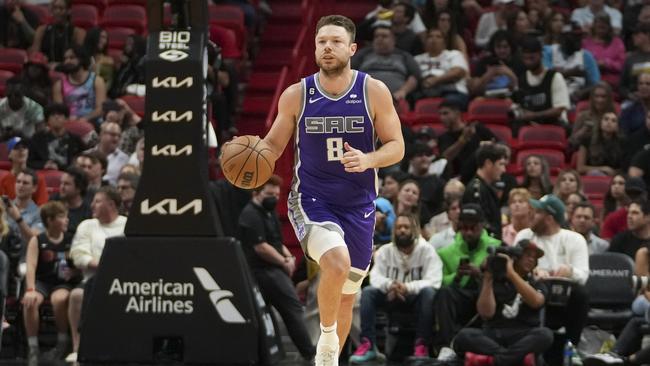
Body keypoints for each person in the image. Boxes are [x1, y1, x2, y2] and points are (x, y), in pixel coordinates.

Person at [261, 15, 405, 366]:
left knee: (346, 296)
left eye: (336, 41)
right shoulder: (297, 94)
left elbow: (397, 146)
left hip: (359, 207)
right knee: (335, 263)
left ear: (352, 48)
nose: (328, 47)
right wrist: (248, 157)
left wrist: (369, 159)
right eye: (322, 41)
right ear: (314, 48)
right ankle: (325, 340)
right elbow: (271, 147)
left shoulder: (373, 90)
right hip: (312, 199)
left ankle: (328, 360)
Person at [238, 175, 315, 362]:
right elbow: (261, 247)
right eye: (269, 194)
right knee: (293, 309)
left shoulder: (269, 212)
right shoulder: (250, 214)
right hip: (262, 271)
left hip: (275, 269)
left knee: (275, 312)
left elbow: (276, 241)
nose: (274, 198)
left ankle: (276, 355)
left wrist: (288, 258)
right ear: (256, 193)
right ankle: (311, 355)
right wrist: (283, 261)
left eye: (276, 194)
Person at [349, 213, 441, 363]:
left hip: (415, 298)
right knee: (368, 292)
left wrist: (407, 287)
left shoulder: (427, 250)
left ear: (415, 230)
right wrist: (391, 285)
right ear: (394, 231)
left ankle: (421, 346)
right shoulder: (385, 251)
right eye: (398, 227)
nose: (402, 230)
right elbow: (375, 277)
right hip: (390, 296)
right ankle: (368, 345)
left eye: (406, 227)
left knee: (429, 293)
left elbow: (434, 280)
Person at [453, 239, 554, 366]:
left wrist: (511, 273)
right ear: (515, 257)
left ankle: (496, 361)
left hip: (523, 334)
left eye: (534, 258)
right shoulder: (495, 280)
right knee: (464, 336)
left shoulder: (538, 282)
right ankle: (515, 359)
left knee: (545, 334)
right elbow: (486, 314)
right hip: (495, 333)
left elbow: (536, 302)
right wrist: (488, 277)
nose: (531, 260)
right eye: (527, 255)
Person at [514, 194, 589, 357]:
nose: (531, 215)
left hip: (563, 298)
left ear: (549, 218)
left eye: (537, 212)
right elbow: (514, 268)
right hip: (532, 292)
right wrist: (531, 271)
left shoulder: (575, 239)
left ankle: (571, 349)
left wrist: (570, 271)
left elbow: (583, 275)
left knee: (581, 294)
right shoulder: (524, 236)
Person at [434, 204, 502, 360]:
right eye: (464, 228)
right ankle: (446, 346)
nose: (469, 232)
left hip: (487, 295)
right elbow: (439, 281)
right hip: (461, 296)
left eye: (473, 228)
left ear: (482, 225)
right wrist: (456, 276)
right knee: (444, 293)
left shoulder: (496, 247)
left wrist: (481, 275)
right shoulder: (446, 252)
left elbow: (503, 280)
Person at [68, 186, 126, 362]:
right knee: (77, 295)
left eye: (97, 201)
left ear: (111, 204)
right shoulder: (87, 225)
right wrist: (103, 265)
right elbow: (78, 255)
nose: (92, 205)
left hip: (121, 281)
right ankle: (78, 347)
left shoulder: (127, 224)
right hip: (90, 279)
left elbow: (130, 256)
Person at [22, 201, 80, 363]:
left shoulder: (71, 239)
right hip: (42, 281)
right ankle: (33, 348)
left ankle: (62, 343)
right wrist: (30, 289)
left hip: (63, 282)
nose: (67, 220)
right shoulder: (38, 240)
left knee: (59, 299)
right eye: (62, 216)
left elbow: (79, 263)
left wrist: (75, 271)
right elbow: (31, 266)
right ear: (50, 220)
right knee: (30, 302)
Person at [511, 36, 571, 133]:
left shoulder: (555, 77)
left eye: (532, 58)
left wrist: (534, 115)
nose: (528, 62)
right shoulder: (521, 79)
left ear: (541, 55)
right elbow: (518, 105)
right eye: (525, 58)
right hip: (530, 125)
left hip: (553, 124)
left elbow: (559, 109)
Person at [351, 24, 420, 101]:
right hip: (364, 98)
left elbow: (414, 77)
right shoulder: (363, 54)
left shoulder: (404, 56)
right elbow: (349, 73)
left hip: (395, 100)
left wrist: (403, 91)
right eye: (376, 36)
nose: (379, 39)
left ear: (393, 40)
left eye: (384, 36)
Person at [437, 98, 497, 183]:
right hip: (459, 179)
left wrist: (489, 146)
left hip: (483, 174)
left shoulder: (477, 128)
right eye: (440, 114)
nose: (442, 118)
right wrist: (463, 140)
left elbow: (499, 144)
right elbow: (445, 158)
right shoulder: (444, 137)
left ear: (457, 113)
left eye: (445, 113)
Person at [414, 28, 469, 109]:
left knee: (449, 103)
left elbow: (458, 72)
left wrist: (435, 80)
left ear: (444, 43)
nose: (433, 39)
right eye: (430, 37)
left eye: (438, 37)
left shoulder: (454, 54)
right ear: (425, 42)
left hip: (451, 91)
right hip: (424, 92)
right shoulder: (416, 59)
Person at [463, 143, 508, 240]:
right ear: (488, 163)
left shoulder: (485, 188)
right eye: (501, 164)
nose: (504, 170)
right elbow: (481, 225)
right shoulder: (476, 190)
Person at [52, 45, 106, 123]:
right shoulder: (59, 85)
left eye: (72, 58)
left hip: (93, 122)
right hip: (69, 124)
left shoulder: (97, 81)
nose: (67, 61)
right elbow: (59, 112)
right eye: (65, 59)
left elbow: (101, 109)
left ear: (81, 59)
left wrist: (84, 119)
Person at [28, 103, 85, 171]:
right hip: (45, 173)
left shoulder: (75, 139)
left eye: (60, 115)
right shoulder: (37, 138)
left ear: (66, 119)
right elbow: (30, 161)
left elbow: (82, 158)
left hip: (69, 173)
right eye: (52, 115)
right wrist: (44, 165)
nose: (56, 117)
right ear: (47, 120)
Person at [30, 0, 85, 65]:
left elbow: (78, 58)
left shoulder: (78, 32)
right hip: (45, 68)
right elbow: (35, 54)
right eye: (55, 8)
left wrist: (59, 66)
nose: (57, 11)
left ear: (68, 11)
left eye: (61, 8)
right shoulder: (42, 30)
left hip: (68, 67)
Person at [569, 82, 617, 152]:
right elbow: (571, 142)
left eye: (603, 96)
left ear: (609, 98)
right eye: (596, 96)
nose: (599, 100)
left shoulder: (614, 117)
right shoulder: (583, 116)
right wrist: (582, 132)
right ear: (592, 98)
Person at [0, 137, 49, 206]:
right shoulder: (4, 180)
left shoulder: (38, 178)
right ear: (9, 154)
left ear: (28, 152)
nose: (21, 150)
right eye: (16, 148)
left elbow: (42, 205)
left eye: (24, 147)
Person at [582, 12, 626, 88]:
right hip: (590, 82)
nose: (601, 29)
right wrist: (593, 64)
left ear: (609, 27)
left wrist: (606, 63)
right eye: (599, 26)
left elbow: (622, 65)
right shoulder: (585, 43)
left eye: (604, 26)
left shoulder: (617, 42)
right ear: (594, 26)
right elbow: (580, 63)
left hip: (612, 82)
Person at [51, 167, 91, 235]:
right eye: (61, 183)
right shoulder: (53, 201)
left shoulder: (88, 211)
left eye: (66, 184)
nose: (62, 187)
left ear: (79, 188)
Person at [82, 27, 114, 91]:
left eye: (105, 38)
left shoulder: (108, 61)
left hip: (100, 92)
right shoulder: (81, 57)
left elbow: (108, 83)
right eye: (101, 37)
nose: (103, 40)